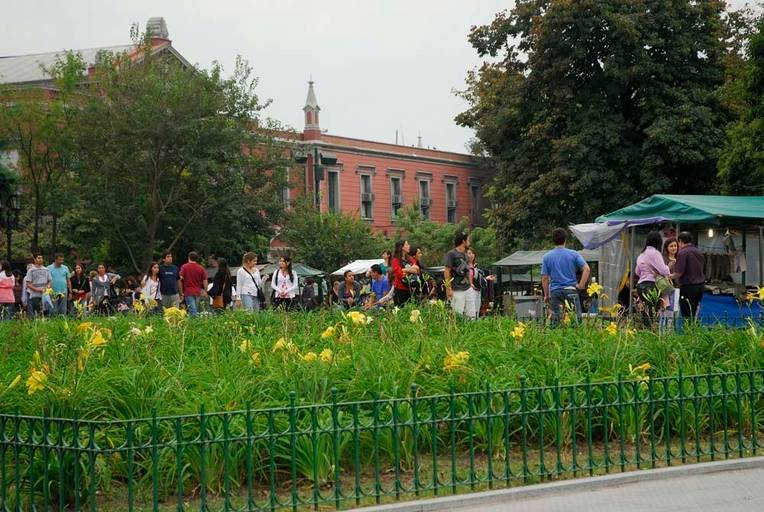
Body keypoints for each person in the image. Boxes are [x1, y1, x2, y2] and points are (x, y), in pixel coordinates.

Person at [541, 228, 590, 326]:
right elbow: (587, 269)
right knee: (576, 322)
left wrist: (546, 295)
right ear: (565, 240)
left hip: (555, 292)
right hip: (571, 290)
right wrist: (581, 285)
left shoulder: (546, 257)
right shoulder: (574, 254)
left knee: (556, 323)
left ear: (553, 240)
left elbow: (545, 278)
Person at [635, 231, 672, 326]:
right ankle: (652, 332)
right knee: (653, 313)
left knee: (645, 313)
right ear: (658, 241)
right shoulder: (655, 253)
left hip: (640, 286)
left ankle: (646, 331)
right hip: (651, 286)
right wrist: (668, 268)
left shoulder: (641, 254)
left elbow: (637, 272)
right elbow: (663, 270)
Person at [672, 231, 706, 321]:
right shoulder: (698, 251)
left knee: (687, 313)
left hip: (688, 287)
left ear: (680, 241)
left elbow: (678, 273)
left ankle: (689, 329)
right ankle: (694, 328)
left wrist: (667, 276)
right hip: (700, 286)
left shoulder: (683, 252)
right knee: (695, 312)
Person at [444, 232, 471, 316]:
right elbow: (447, 271)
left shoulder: (466, 255)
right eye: (468, 240)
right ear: (463, 241)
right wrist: (448, 288)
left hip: (468, 288)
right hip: (457, 289)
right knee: (457, 314)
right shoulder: (451, 254)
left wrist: (471, 284)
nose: (469, 242)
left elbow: (468, 271)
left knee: (471, 314)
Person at [466, 248, 494, 319]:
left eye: (472, 253)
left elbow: (478, 279)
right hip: (469, 290)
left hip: (478, 290)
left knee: (476, 310)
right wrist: (470, 284)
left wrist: (486, 278)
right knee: (470, 311)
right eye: (469, 253)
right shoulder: (464, 266)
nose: (471, 255)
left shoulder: (475, 267)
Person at [179, 251, 208, 317]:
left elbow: (180, 278)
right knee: (195, 309)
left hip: (188, 291)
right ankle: (194, 321)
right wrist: (205, 291)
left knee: (192, 310)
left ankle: (193, 322)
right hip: (197, 292)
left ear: (189, 257)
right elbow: (205, 280)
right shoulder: (201, 268)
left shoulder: (184, 267)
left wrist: (181, 291)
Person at [23, 253, 52, 318]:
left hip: (44, 295)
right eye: (38, 258)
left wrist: (47, 287)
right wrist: (37, 289)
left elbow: (50, 281)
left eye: (41, 258)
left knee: (43, 314)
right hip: (33, 295)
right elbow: (28, 283)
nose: (40, 259)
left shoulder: (46, 270)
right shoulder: (31, 270)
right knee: (31, 315)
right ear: (35, 259)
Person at [392, 240, 419, 306]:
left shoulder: (410, 258)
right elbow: (400, 274)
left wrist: (404, 269)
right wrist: (411, 269)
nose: (409, 246)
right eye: (406, 244)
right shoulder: (395, 260)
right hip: (400, 289)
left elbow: (417, 270)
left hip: (412, 288)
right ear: (402, 247)